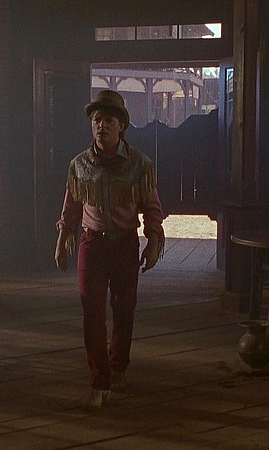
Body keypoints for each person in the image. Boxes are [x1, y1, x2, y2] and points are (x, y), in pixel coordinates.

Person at [54, 89, 165, 409]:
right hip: (92, 244)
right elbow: (71, 208)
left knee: (124, 308)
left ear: (122, 126)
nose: (101, 125)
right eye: (97, 120)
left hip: (125, 244)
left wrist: (154, 241)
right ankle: (100, 379)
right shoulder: (79, 165)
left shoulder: (139, 164)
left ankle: (118, 366)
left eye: (109, 120)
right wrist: (62, 240)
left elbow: (152, 208)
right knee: (92, 311)